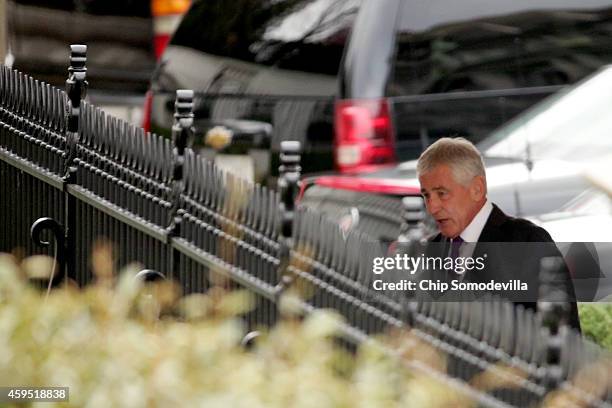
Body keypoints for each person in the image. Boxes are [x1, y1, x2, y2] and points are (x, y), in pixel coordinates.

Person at [416, 137, 581, 330]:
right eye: (426, 195)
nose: (432, 207)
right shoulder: (429, 250)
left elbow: (563, 335)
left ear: (477, 189)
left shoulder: (527, 243)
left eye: (441, 193)